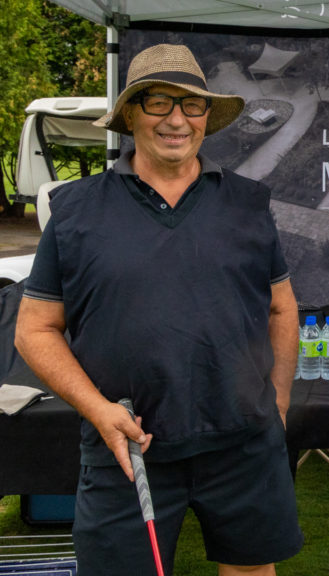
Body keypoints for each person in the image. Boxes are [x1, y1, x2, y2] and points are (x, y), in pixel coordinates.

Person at [14, 44, 303, 576]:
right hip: (127, 447)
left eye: (191, 105)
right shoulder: (76, 210)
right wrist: (99, 410)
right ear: (130, 115)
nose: (176, 120)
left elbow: (282, 310)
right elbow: (34, 329)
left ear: (206, 117)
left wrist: (278, 406)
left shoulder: (248, 203)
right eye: (158, 103)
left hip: (243, 444)